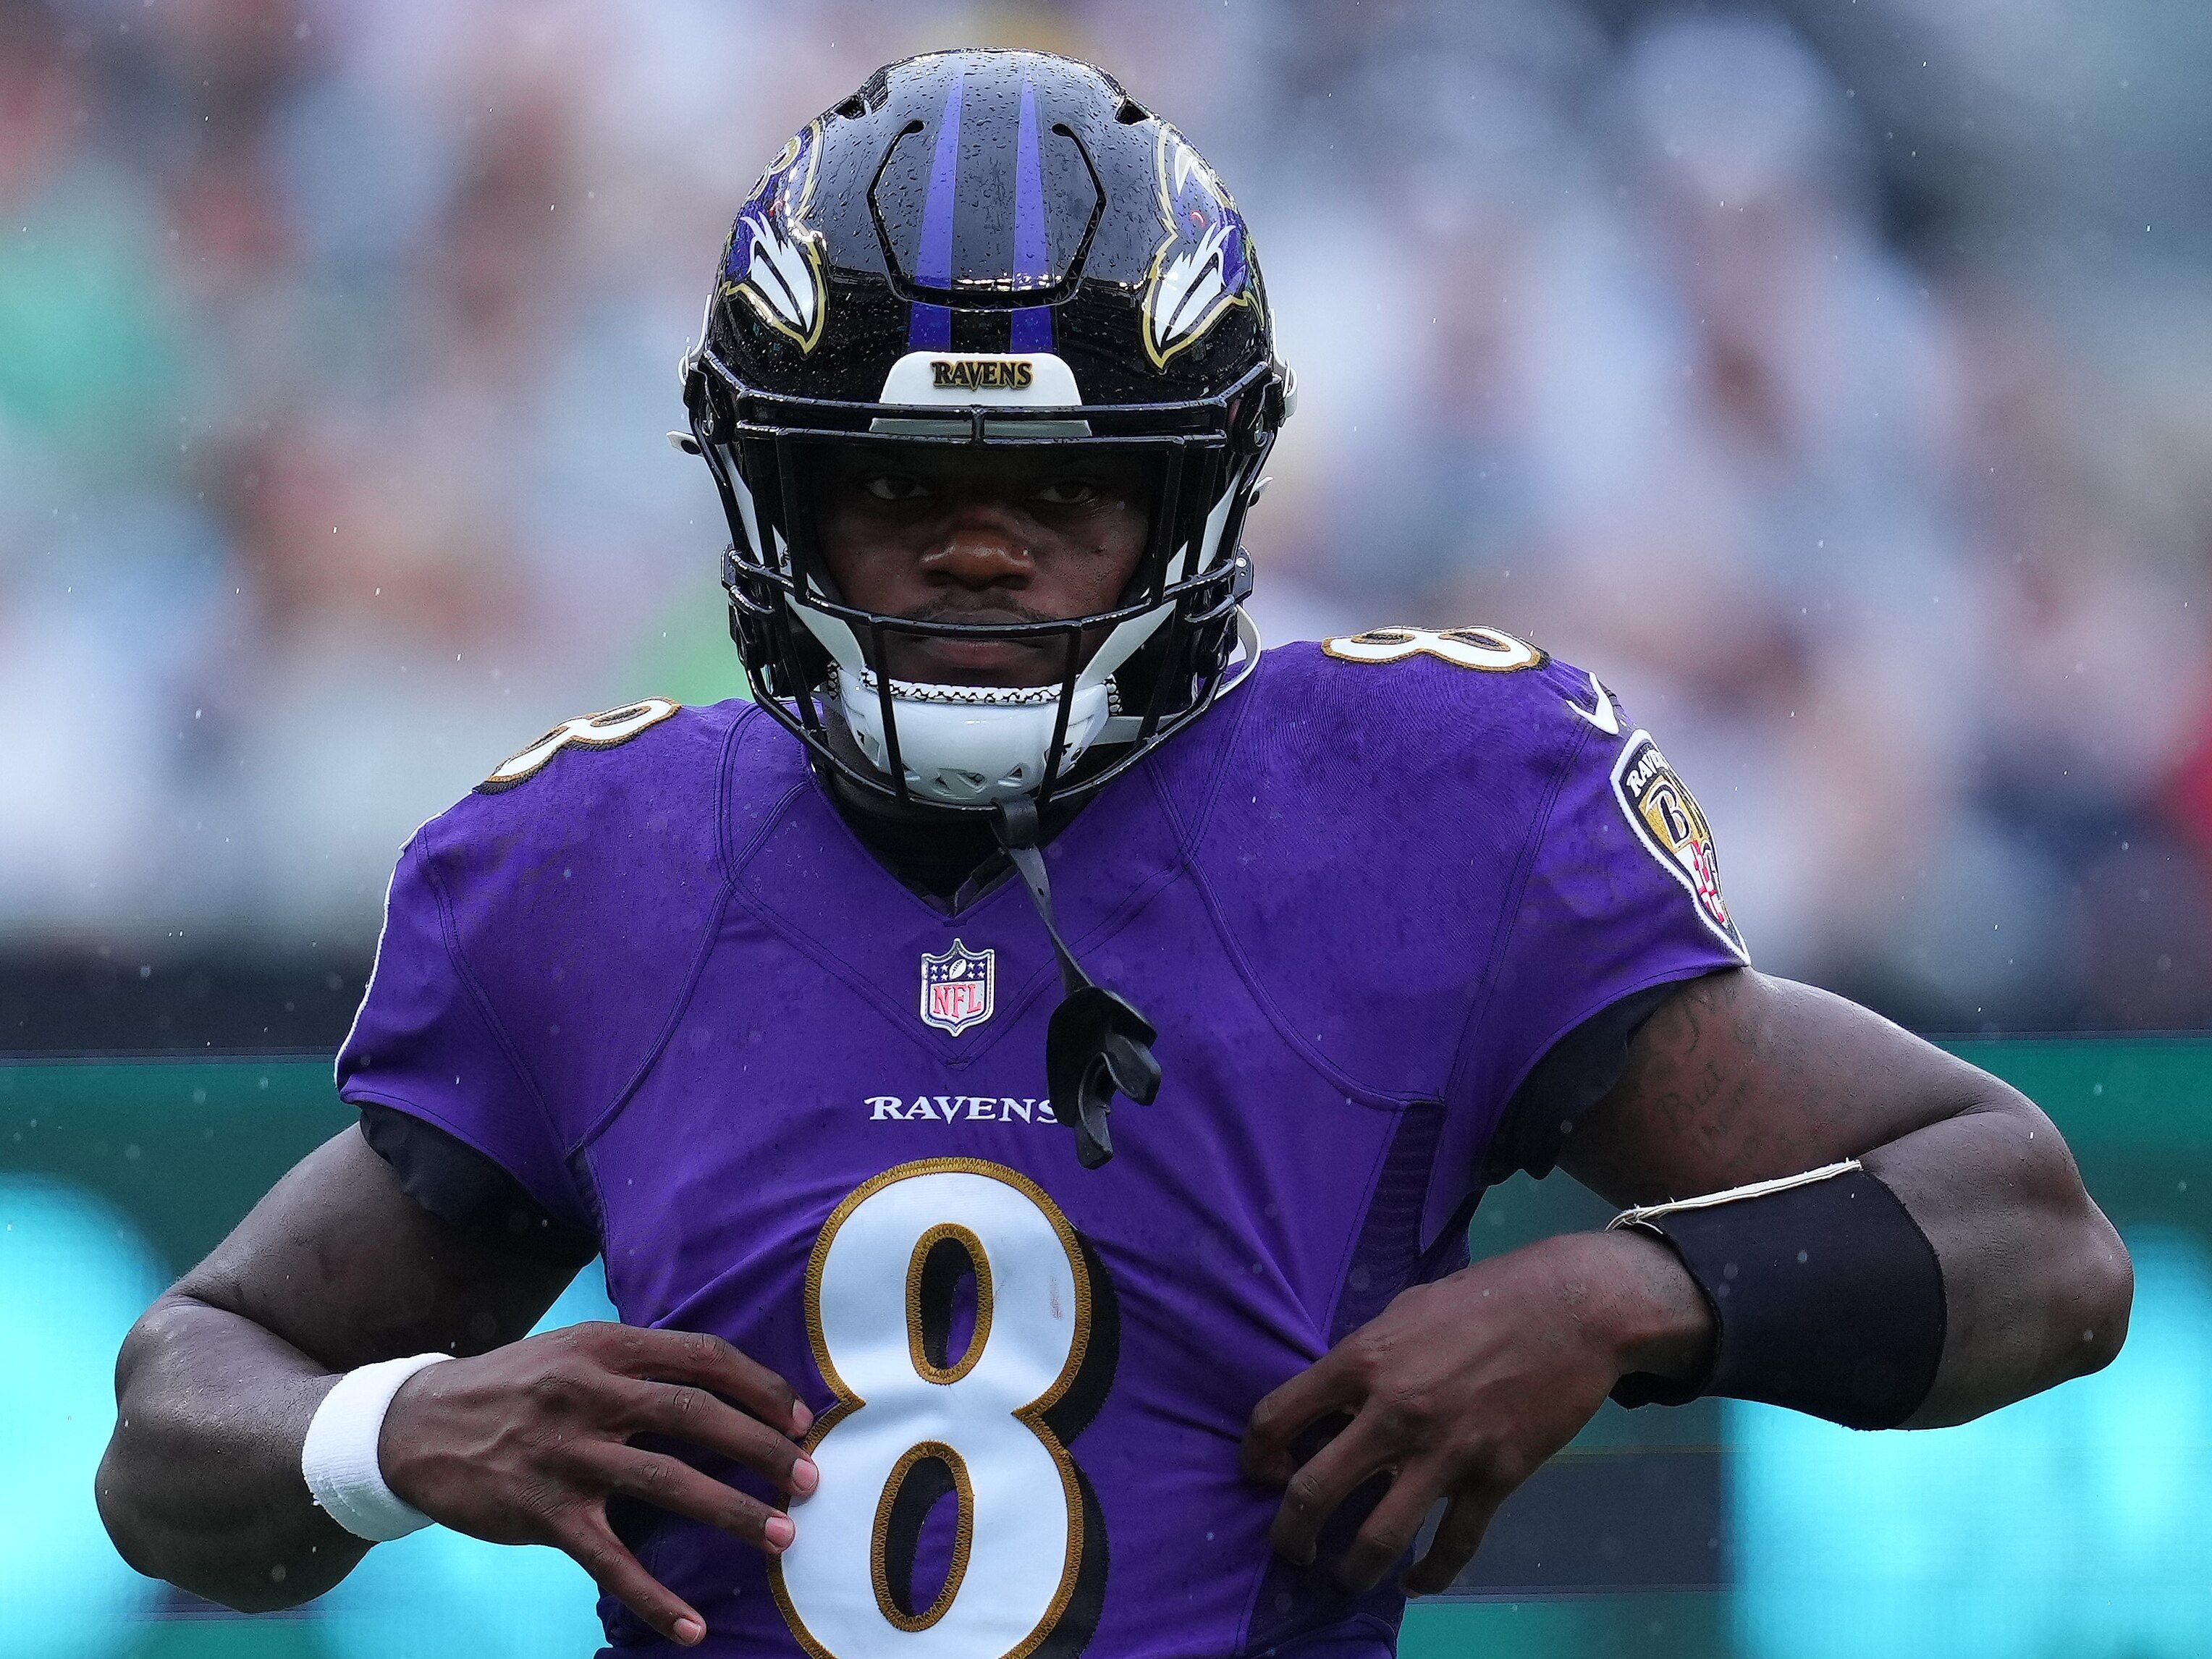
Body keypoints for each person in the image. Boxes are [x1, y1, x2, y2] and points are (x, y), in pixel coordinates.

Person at [97, 49, 2131, 1659]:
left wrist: (1624, 1295)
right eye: (901, 484)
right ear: (772, 496)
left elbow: (2031, 1235)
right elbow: (174, 1423)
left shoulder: (1431, 808)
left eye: (1064, 489)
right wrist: (389, 1432)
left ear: (1199, 501)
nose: (980, 549)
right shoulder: (599, 864)